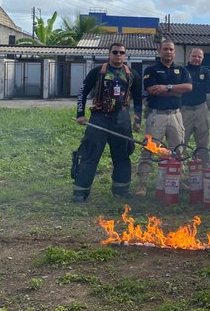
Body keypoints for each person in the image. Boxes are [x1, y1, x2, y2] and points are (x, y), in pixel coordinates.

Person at [72, 42, 142, 202]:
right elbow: (82, 92)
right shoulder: (97, 72)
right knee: (90, 154)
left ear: (125, 55)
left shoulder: (132, 74)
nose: (118, 55)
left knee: (123, 155)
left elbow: (138, 99)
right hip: (99, 118)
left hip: (122, 119)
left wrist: (138, 120)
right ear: (109, 54)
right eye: (115, 52)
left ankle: (121, 189)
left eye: (121, 53)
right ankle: (80, 192)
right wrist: (80, 114)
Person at [135, 39, 192, 196]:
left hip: (175, 115)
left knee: (178, 149)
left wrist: (166, 87)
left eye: (171, 50)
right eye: (165, 49)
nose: (168, 52)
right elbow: (152, 90)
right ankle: (142, 184)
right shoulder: (151, 70)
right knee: (148, 149)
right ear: (159, 51)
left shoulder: (181, 70)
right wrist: (176, 91)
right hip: (156, 116)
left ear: (175, 52)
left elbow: (188, 88)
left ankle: (178, 180)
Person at [181, 48, 210, 156]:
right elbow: (180, 88)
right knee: (181, 141)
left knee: (203, 142)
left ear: (202, 58)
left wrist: (190, 85)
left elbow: (209, 87)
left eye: (199, 57)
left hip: (201, 109)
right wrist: (199, 85)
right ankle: (178, 169)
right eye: (194, 56)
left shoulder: (206, 72)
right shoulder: (182, 70)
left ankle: (204, 168)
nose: (196, 58)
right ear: (189, 57)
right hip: (185, 110)